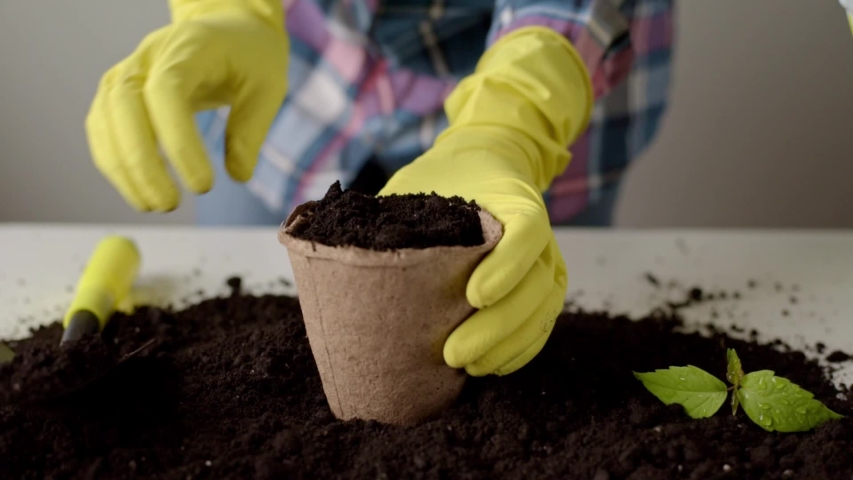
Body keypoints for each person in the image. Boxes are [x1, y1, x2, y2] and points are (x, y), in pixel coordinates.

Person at [84, 0, 852, 378]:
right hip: (298, 85)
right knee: (236, 331)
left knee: (515, 311)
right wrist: (232, 11)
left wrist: (509, 126)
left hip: (544, 66)